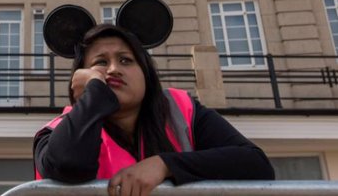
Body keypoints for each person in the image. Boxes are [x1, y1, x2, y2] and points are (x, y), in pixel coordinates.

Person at [33, 24, 275, 196]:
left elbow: (256, 165)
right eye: (100, 63)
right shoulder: (56, 132)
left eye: (126, 60)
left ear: (146, 74)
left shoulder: (181, 111)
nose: (114, 69)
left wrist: (165, 165)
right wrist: (95, 92)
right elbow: (68, 166)